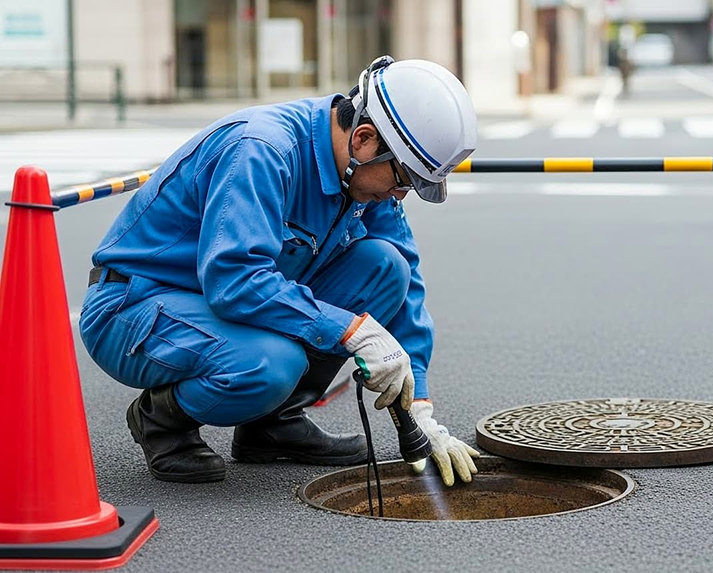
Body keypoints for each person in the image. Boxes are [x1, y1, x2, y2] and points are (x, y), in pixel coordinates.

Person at [79, 56, 480, 487]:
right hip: (135, 306)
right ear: (364, 139)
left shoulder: (364, 175)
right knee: (272, 364)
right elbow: (234, 280)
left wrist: (419, 406)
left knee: (385, 269)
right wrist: (351, 330)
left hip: (219, 302)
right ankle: (160, 420)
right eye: (402, 180)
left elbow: (408, 284)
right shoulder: (263, 150)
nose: (399, 194)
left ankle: (272, 425)